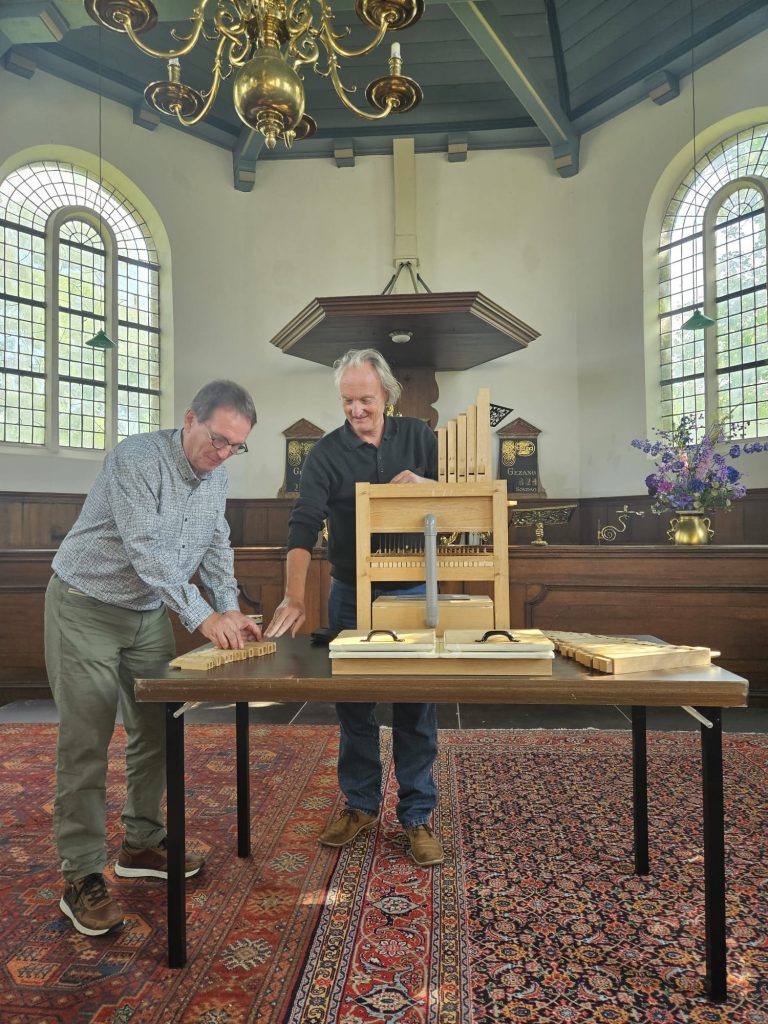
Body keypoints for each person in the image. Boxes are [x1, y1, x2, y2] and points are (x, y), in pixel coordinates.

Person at [45, 379, 262, 937]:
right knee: (86, 741)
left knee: (157, 730)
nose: (223, 454)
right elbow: (147, 551)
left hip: (145, 616)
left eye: (236, 446)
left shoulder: (218, 474)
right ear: (189, 419)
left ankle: (141, 844)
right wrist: (203, 619)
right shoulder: (136, 459)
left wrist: (230, 610)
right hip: (86, 605)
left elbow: (216, 546)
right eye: (218, 440)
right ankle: (82, 877)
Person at [265, 349, 443, 866]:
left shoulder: (421, 438)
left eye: (365, 399)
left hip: (413, 589)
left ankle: (417, 816)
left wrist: (427, 486)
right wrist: (295, 594)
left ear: (387, 394)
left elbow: (463, 497)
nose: (356, 410)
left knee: (415, 704)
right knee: (353, 704)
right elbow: (303, 524)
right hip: (350, 591)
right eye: (347, 401)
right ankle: (361, 805)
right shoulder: (325, 453)